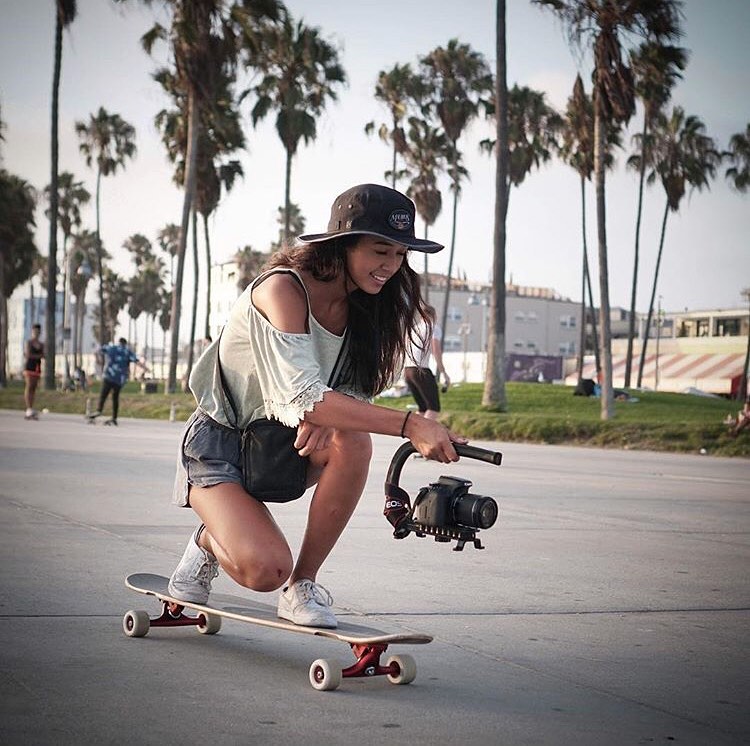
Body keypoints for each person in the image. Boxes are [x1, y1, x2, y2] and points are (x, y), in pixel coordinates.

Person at [167, 183, 467, 629]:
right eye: (379, 250)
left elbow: (343, 396)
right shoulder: (282, 291)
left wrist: (330, 416)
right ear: (342, 245)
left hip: (282, 446)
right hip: (219, 447)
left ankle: (303, 585)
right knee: (266, 569)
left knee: (355, 441)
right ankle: (210, 541)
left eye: (400, 255)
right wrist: (410, 425)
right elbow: (304, 397)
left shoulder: (366, 308)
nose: (390, 266)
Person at [403, 305, 450, 421]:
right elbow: (436, 350)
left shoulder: (414, 328)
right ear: (434, 316)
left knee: (423, 408)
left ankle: (416, 437)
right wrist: (444, 373)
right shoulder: (433, 327)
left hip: (408, 371)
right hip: (421, 370)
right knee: (433, 408)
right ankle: (425, 437)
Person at [89, 338, 147, 425]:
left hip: (108, 375)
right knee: (115, 397)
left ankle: (99, 410)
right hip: (119, 379)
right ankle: (114, 417)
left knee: (103, 394)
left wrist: (98, 359)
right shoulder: (127, 351)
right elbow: (136, 361)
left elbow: (98, 350)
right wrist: (145, 368)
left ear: (119, 342)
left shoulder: (111, 348)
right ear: (125, 344)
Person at [23, 323, 44, 420]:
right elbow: (28, 354)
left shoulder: (41, 344)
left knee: (34, 388)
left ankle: (31, 407)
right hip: (30, 366)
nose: (37, 333)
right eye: (35, 331)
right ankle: (28, 409)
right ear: (32, 332)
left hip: (37, 367)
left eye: (38, 332)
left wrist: (40, 356)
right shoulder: (29, 342)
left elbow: (44, 355)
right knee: (29, 386)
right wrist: (38, 356)